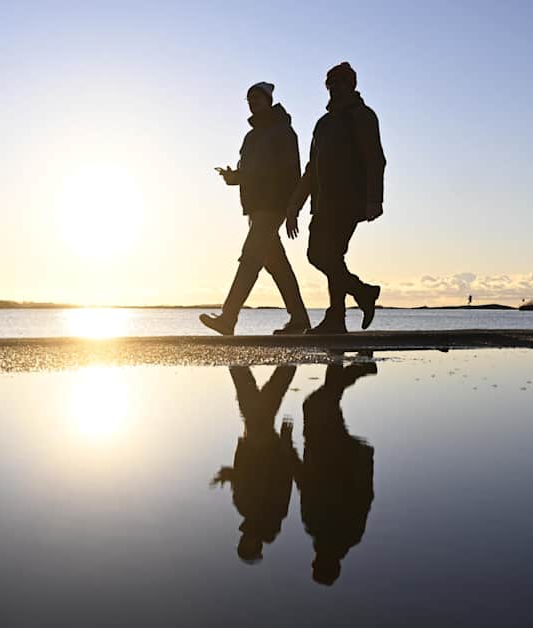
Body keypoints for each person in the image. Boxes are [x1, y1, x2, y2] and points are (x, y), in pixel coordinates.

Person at [200, 82, 310, 336]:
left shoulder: (283, 131)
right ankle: (300, 319)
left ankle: (228, 318)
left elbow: (291, 170)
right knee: (276, 263)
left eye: (257, 99)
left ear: (268, 100)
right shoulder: (252, 136)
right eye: (249, 100)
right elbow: (253, 172)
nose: (252, 103)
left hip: (273, 205)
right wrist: (234, 177)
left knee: (250, 258)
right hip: (255, 207)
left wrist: (292, 207)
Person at [287, 62, 386, 334]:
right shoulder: (324, 123)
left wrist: (374, 199)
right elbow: (311, 168)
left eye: (340, 83)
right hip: (322, 202)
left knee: (326, 255)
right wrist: (295, 204)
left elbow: (375, 158)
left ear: (351, 85)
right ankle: (357, 298)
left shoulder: (362, 116)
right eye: (330, 84)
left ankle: (338, 314)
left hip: (349, 201)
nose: (334, 88)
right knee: (321, 256)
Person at [295, 360, 377, 585]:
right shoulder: (339, 533)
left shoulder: (337, 535)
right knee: (317, 404)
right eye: (317, 564)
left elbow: (306, 486)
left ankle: (342, 359)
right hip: (332, 455)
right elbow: (362, 496)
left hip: (327, 453)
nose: (314, 559)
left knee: (323, 403)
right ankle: (355, 367)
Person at [211, 365, 300, 563]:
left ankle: (287, 349)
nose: (243, 539)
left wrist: (230, 474)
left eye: (242, 543)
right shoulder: (271, 513)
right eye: (246, 544)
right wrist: (286, 442)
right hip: (266, 446)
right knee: (254, 402)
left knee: (258, 400)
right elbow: (283, 479)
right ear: (256, 544)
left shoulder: (243, 508)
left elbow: (241, 474)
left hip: (253, 442)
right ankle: (234, 350)